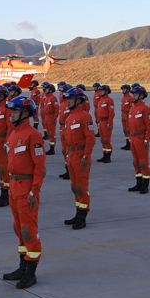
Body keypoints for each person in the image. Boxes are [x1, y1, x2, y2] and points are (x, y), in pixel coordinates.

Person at [1, 95, 46, 289]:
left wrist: (34, 191)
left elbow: (39, 166)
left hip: (27, 186)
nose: (11, 115)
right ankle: (22, 266)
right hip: (14, 185)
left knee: (28, 229)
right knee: (19, 228)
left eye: (15, 111)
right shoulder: (14, 133)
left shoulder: (33, 135)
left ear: (26, 113)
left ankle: (31, 272)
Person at [61, 87, 96, 229]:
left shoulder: (85, 117)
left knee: (81, 187)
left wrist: (86, 156)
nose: (68, 102)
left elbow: (90, 138)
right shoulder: (69, 117)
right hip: (71, 155)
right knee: (75, 186)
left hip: (81, 156)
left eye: (71, 99)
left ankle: (83, 216)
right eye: (68, 99)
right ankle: (78, 213)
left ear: (79, 100)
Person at [126, 84, 150, 192]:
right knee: (136, 162)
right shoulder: (132, 108)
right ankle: (138, 183)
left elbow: (149, 126)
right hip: (133, 138)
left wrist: (147, 139)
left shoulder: (145, 109)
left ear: (142, 96)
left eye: (136, 94)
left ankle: (145, 184)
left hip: (141, 138)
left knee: (143, 162)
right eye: (133, 94)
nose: (133, 96)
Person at [94, 84, 115, 163]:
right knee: (102, 139)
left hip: (106, 122)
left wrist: (109, 123)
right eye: (100, 91)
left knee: (107, 139)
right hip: (101, 122)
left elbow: (111, 113)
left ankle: (108, 156)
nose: (101, 92)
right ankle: (104, 154)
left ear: (106, 92)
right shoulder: (100, 101)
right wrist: (98, 121)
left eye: (102, 91)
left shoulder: (109, 100)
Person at [39, 82, 58, 156]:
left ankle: (52, 148)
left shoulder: (53, 98)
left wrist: (54, 118)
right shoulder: (46, 98)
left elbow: (56, 108)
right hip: (46, 117)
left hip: (51, 117)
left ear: (51, 90)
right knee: (48, 132)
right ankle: (51, 146)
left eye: (47, 89)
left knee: (51, 133)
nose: (45, 90)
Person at [119, 84, 133, 151]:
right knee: (125, 130)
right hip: (123, 115)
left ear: (128, 90)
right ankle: (127, 143)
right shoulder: (123, 98)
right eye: (123, 89)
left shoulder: (130, 98)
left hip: (127, 115)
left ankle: (130, 144)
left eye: (124, 89)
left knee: (128, 130)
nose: (123, 90)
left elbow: (132, 108)